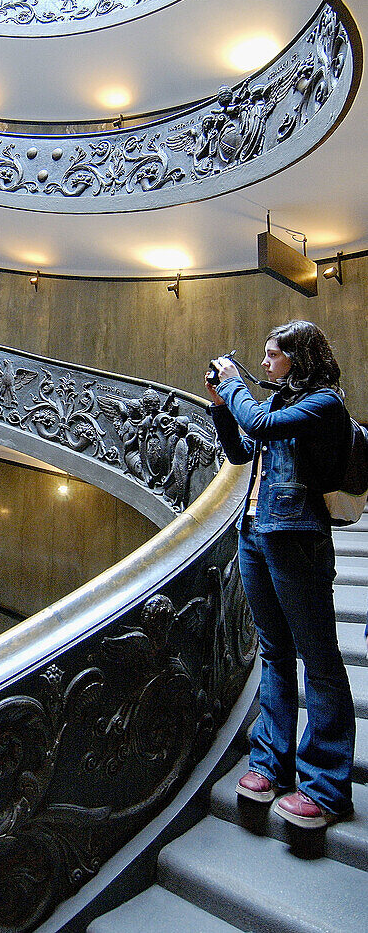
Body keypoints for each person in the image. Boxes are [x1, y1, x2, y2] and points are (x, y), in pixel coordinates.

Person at [205, 320, 355, 828]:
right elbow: (241, 451)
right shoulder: (275, 404)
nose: (265, 362)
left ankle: (327, 786)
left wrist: (233, 387)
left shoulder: (324, 405)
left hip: (297, 537)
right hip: (255, 533)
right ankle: (271, 763)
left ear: (300, 357)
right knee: (273, 652)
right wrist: (224, 409)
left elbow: (264, 429)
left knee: (319, 658)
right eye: (263, 355)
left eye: (274, 355)